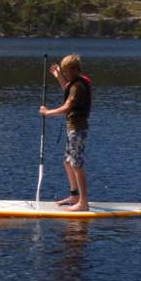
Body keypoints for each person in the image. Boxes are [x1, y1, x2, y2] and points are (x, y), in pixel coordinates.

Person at [38, 54, 94, 211]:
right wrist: (58, 76)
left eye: (66, 72)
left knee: (76, 165)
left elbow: (67, 107)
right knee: (68, 162)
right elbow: (67, 88)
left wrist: (47, 112)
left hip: (78, 129)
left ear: (75, 70)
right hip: (72, 129)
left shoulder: (79, 86)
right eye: (63, 72)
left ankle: (83, 203)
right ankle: (74, 196)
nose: (65, 74)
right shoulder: (75, 84)